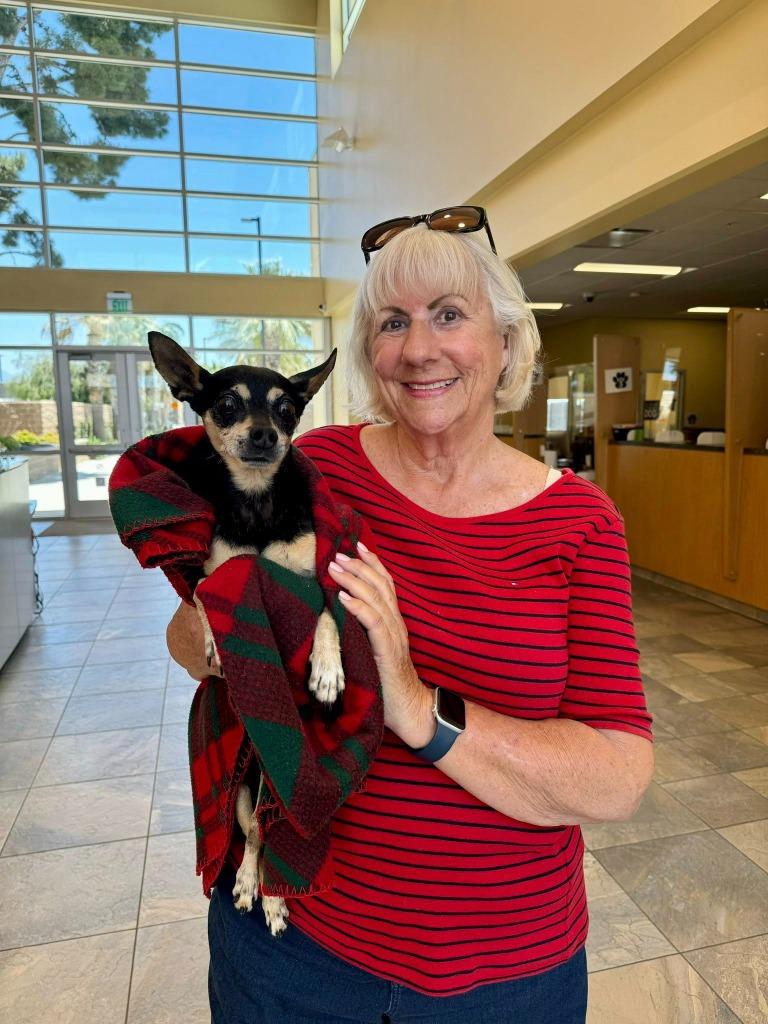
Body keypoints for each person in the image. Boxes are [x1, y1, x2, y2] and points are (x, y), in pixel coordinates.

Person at [167, 207, 654, 1024]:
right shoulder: (317, 467)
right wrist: (221, 632)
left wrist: (411, 701)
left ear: (506, 341)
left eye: (449, 316)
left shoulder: (580, 522)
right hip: (293, 949)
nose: (420, 348)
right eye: (393, 322)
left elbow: (616, 777)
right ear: (370, 354)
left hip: (508, 975)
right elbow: (193, 636)